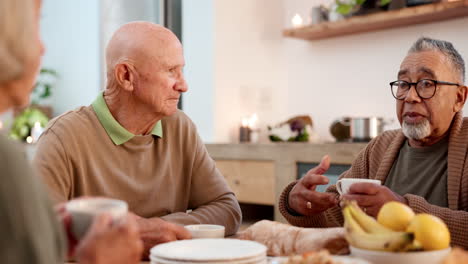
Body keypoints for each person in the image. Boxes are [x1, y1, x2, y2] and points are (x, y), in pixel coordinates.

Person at [33, 21, 242, 254]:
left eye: (182, 70)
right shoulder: (62, 138)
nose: (184, 85)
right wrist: (134, 235)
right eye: (171, 71)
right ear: (126, 76)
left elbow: (227, 209)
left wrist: (159, 229)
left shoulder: (180, 127)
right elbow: (39, 236)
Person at [280, 37, 468, 249]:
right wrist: (299, 205)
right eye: (404, 84)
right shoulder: (381, 147)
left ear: (459, 98)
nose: (410, 96)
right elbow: (338, 218)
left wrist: (405, 209)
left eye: (426, 84)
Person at [0, 0, 142, 263]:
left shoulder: (182, 128)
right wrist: (97, 259)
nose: (42, 47)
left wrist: (49, 241)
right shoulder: (7, 161)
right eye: (36, 23)